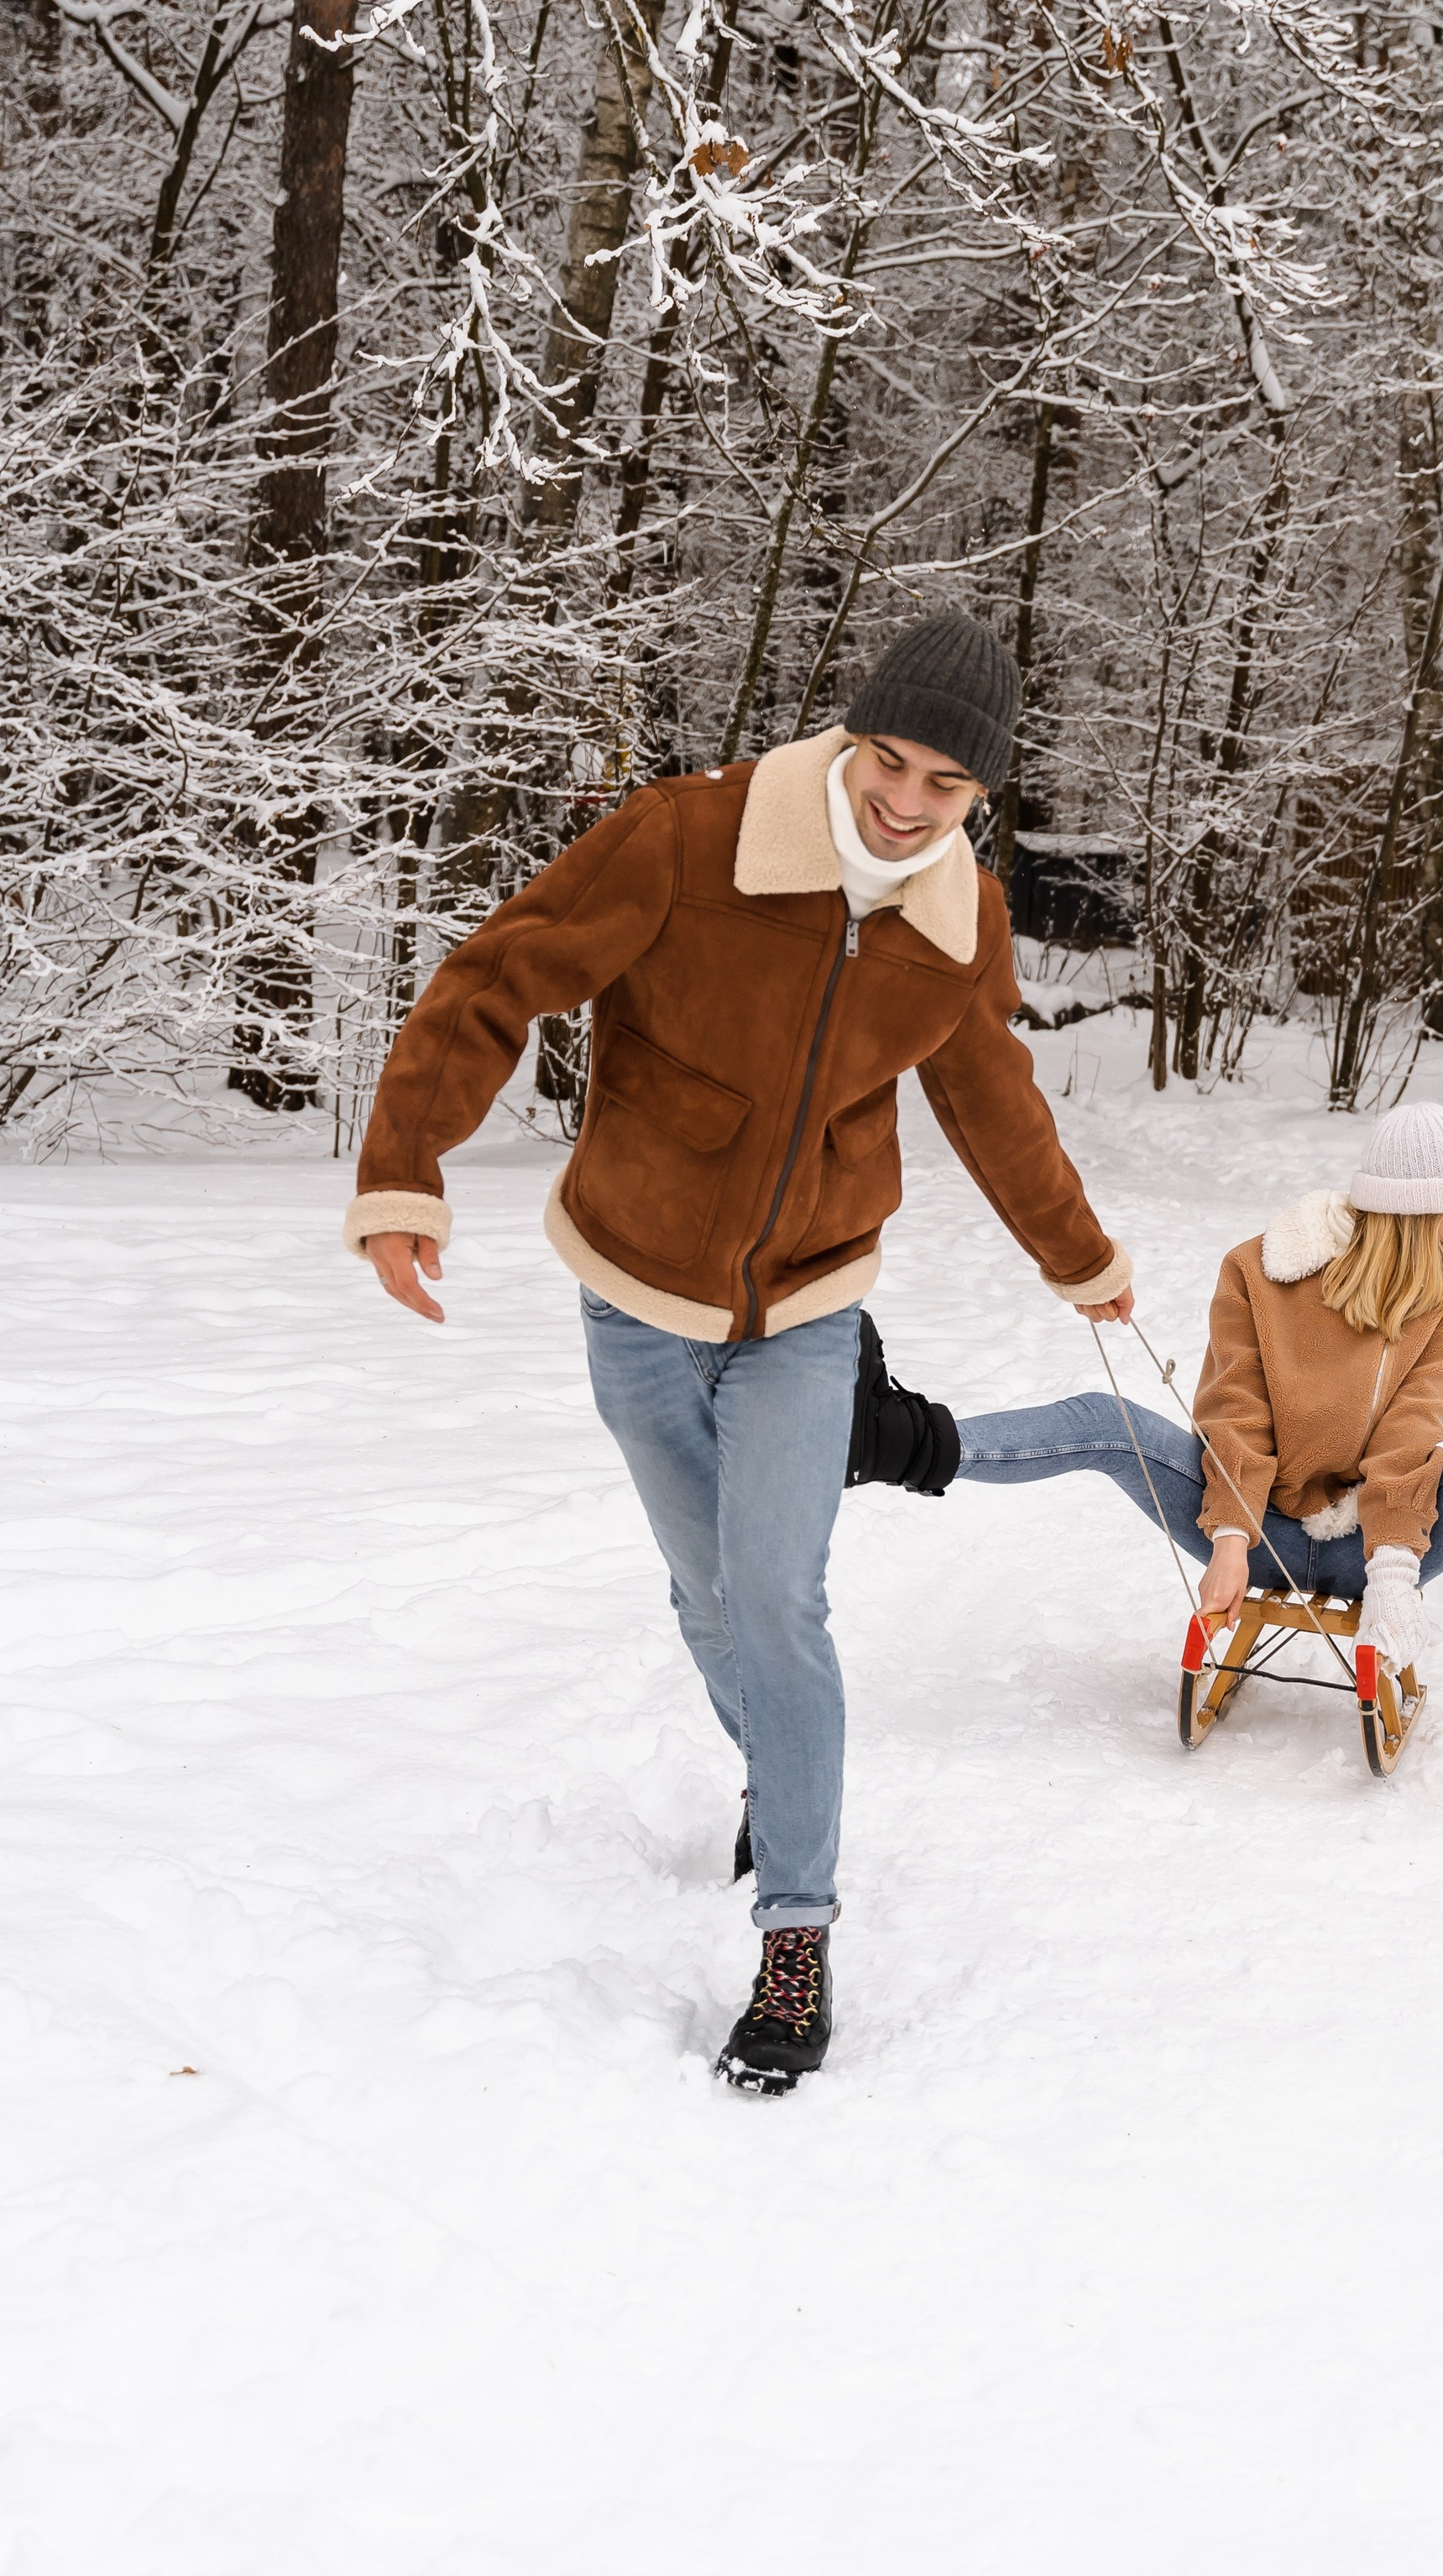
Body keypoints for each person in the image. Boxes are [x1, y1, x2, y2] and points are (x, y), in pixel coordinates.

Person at [347, 612, 1132, 2096]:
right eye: (888, 762)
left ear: (984, 799)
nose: (906, 802)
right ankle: (780, 1774)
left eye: (948, 787)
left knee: (777, 1597)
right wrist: (405, 1169)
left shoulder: (958, 921)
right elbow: (498, 974)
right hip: (633, 1289)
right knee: (709, 1600)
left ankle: (797, 1925)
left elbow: (996, 1103)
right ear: (850, 738)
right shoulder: (689, 843)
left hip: (811, 1305)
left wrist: (1078, 1257)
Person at [851, 1101, 1443, 1667]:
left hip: (1378, 1552)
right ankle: (895, 1440)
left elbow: (1410, 1445)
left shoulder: (1438, 1306)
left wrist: (1393, 1577)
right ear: (1405, 1213)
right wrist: (1227, 1540)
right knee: (1106, 1420)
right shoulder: (1257, 1273)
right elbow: (1233, 1409)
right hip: (1254, 1533)